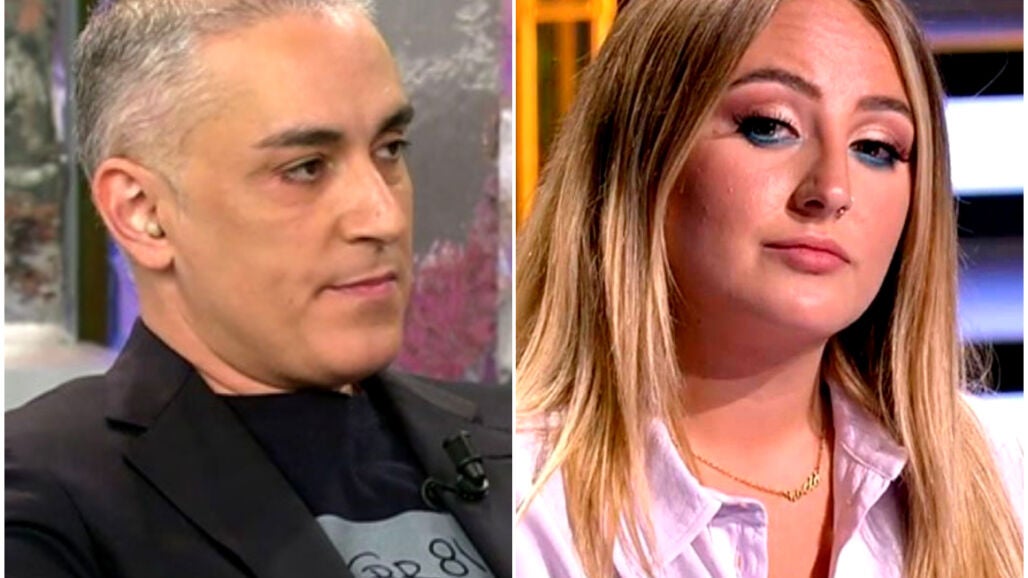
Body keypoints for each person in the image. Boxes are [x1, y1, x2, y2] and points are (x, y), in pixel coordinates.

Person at [514, 0, 1022, 577]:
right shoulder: (519, 508)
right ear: (640, 153)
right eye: (770, 126)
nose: (832, 190)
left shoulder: (998, 476)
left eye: (875, 147)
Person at [6, 1, 512, 577]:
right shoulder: (43, 499)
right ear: (143, 211)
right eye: (305, 168)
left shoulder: (528, 440)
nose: (384, 217)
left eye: (390, 148)